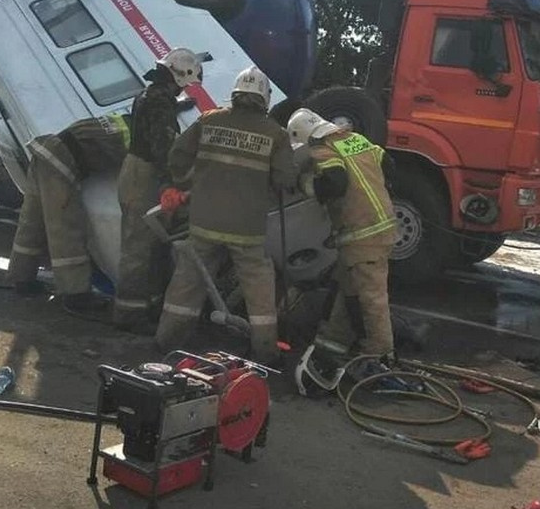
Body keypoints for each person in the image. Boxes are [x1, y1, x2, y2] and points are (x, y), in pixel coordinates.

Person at [155, 67, 296, 364]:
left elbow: (177, 155)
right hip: (246, 229)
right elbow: (286, 180)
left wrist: (180, 185)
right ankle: (266, 352)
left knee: (188, 280)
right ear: (264, 98)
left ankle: (167, 341)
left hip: (204, 221)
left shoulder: (209, 120)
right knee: (259, 289)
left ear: (235, 92)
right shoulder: (276, 134)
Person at [287, 108, 397, 397]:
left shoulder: (323, 149)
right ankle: (333, 343)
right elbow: (391, 166)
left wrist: (307, 185)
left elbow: (335, 182)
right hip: (380, 226)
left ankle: (380, 359)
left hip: (362, 233)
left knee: (371, 297)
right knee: (350, 290)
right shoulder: (356, 139)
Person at [113, 47, 201, 334]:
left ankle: (145, 306)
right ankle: (129, 314)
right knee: (138, 245)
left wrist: (178, 108)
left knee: (148, 244)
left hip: (135, 169)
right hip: (144, 174)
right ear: (178, 76)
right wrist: (173, 183)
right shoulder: (159, 102)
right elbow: (163, 148)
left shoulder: (151, 96)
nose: (183, 91)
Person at [8, 114, 129, 314]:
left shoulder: (127, 119)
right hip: (59, 162)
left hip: (46, 151)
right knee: (65, 230)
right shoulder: (145, 136)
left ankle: (21, 278)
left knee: (31, 223)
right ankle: (76, 295)